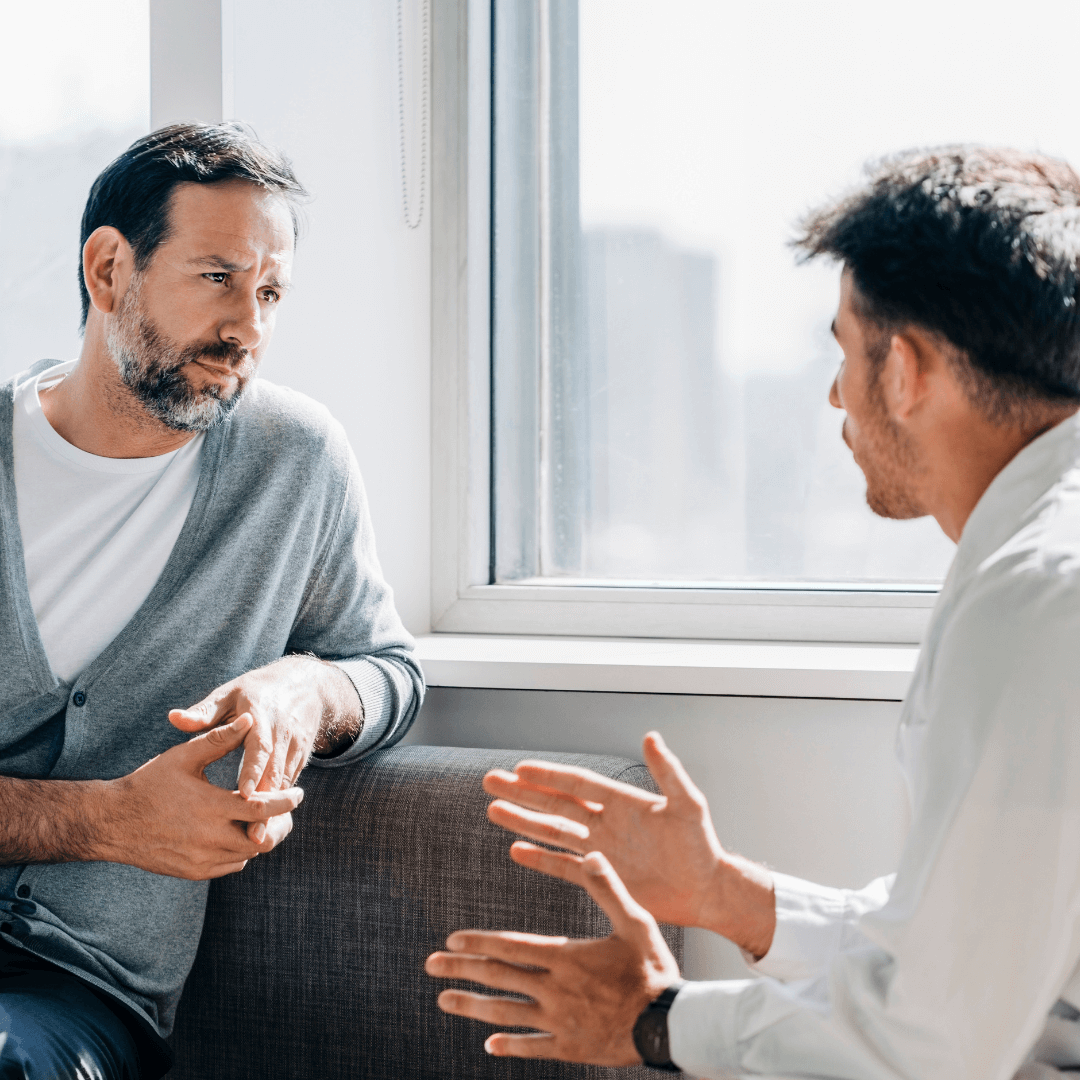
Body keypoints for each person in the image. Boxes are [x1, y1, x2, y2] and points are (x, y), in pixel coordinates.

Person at [426, 146, 1080, 1080]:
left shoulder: (1034, 601)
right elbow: (967, 953)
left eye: (844, 351)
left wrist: (654, 1024)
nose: (833, 392)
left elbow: (929, 1045)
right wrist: (729, 896)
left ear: (906, 369)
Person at [0, 123, 423, 1079]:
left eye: (269, 292)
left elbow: (389, 668)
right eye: (217, 277)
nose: (249, 327)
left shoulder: (294, 461)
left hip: (80, 989)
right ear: (110, 270)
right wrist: (108, 819)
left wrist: (306, 694)